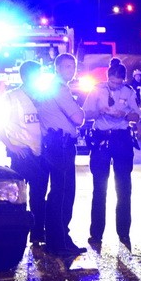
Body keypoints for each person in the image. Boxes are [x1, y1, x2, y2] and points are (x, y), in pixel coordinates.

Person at [83, 61, 140, 250]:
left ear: (123, 80)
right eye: (113, 82)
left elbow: (136, 116)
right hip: (101, 139)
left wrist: (123, 115)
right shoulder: (97, 90)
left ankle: (124, 232)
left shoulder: (129, 92)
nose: (115, 86)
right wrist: (99, 111)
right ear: (108, 78)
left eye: (119, 83)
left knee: (124, 187)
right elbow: (86, 114)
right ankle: (96, 233)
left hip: (121, 139)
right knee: (100, 187)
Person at [35, 53, 86, 257]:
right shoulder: (60, 88)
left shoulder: (49, 87)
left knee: (56, 192)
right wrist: (80, 110)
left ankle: (53, 238)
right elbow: (78, 118)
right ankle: (61, 241)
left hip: (52, 144)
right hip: (61, 145)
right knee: (64, 192)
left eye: (72, 66)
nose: (70, 70)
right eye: (65, 66)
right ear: (57, 68)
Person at [0, 60, 48, 247]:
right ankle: (15, 236)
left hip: (41, 153)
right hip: (21, 154)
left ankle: (37, 234)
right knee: (17, 197)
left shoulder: (43, 97)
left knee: (39, 195)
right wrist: (12, 146)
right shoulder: (11, 97)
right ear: (25, 77)